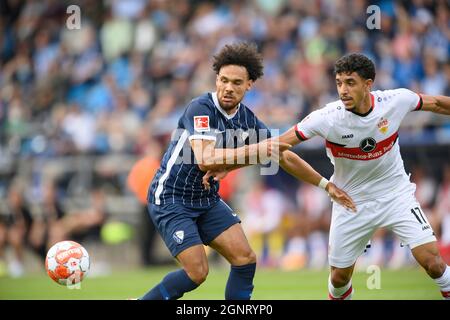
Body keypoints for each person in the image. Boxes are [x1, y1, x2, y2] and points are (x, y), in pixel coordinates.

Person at [139, 42, 355, 300]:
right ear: (216, 79)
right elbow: (206, 159)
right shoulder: (200, 108)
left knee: (245, 258)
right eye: (223, 80)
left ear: (249, 84)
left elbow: (282, 155)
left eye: (237, 83)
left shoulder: (247, 120)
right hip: (171, 197)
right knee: (197, 272)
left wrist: (325, 185)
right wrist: (258, 151)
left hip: (205, 198)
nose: (228, 88)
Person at [276, 53, 450, 300]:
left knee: (433, 263)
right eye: (338, 83)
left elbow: (436, 104)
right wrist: (229, 163)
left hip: (396, 194)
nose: (343, 90)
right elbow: (278, 146)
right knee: (339, 278)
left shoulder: (396, 100)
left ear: (368, 84)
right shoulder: (326, 118)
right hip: (351, 201)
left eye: (350, 82)